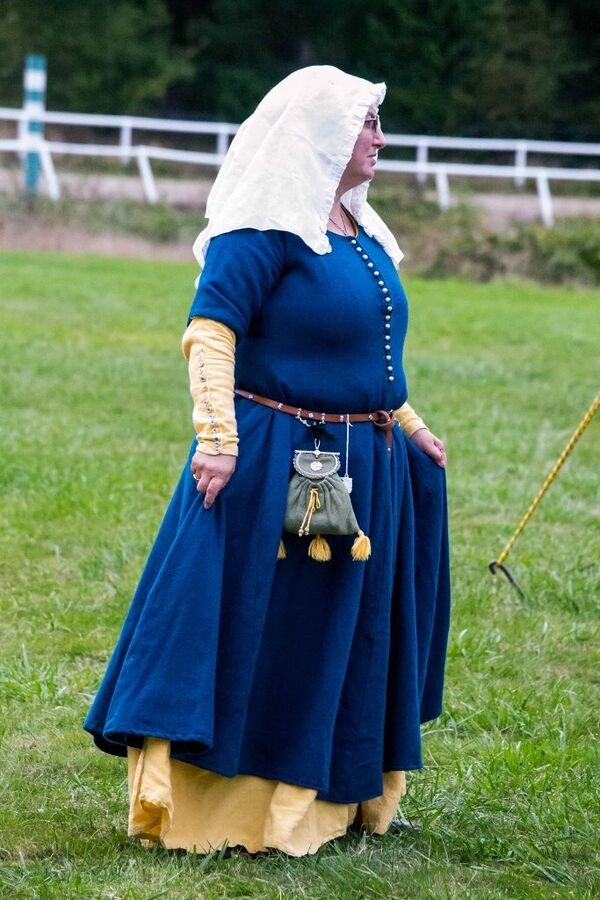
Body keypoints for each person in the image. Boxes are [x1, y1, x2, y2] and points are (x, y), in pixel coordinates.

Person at [83, 65, 451, 857]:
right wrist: (218, 439)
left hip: (364, 462)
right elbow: (211, 330)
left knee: (340, 637)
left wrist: (409, 422)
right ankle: (237, 811)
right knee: (274, 634)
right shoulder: (262, 229)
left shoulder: (358, 231)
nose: (380, 139)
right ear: (322, 131)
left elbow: (362, 351)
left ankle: (331, 798)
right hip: (283, 461)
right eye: (366, 123)